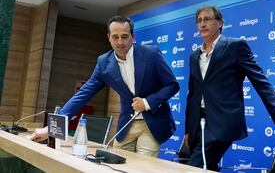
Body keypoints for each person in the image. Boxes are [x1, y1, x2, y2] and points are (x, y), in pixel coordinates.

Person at [31, 15, 179, 157]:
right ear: (108, 37)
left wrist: (147, 103)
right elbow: (83, 94)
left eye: (125, 36)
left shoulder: (151, 54)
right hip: (126, 125)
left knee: (142, 169)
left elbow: (172, 85)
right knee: (116, 165)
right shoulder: (104, 63)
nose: (120, 42)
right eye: (115, 37)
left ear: (133, 37)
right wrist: (50, 128)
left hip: (152, 124)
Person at [185, 6, 275, 171]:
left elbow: (260, 81)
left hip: (222, 122)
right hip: (197, 123)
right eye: (199, 21)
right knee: (208, 166)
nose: (202, 24)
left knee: (195, 167)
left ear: (220, 23)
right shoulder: (194, 56)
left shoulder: (235, 46)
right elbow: (192, 94)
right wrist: (188, 129)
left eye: (207, 19)